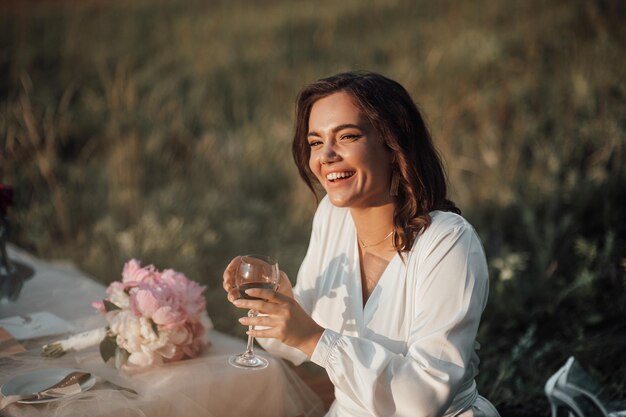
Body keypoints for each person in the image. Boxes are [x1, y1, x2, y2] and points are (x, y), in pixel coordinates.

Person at [223, 71, 500, 417]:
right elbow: (294, 340)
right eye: (315, 142)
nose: (326, 156)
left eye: (347, 136)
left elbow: (424, 399)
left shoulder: (448, 241)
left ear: (392, 143)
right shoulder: (332, 215)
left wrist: (314, 339)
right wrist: (281, 300)